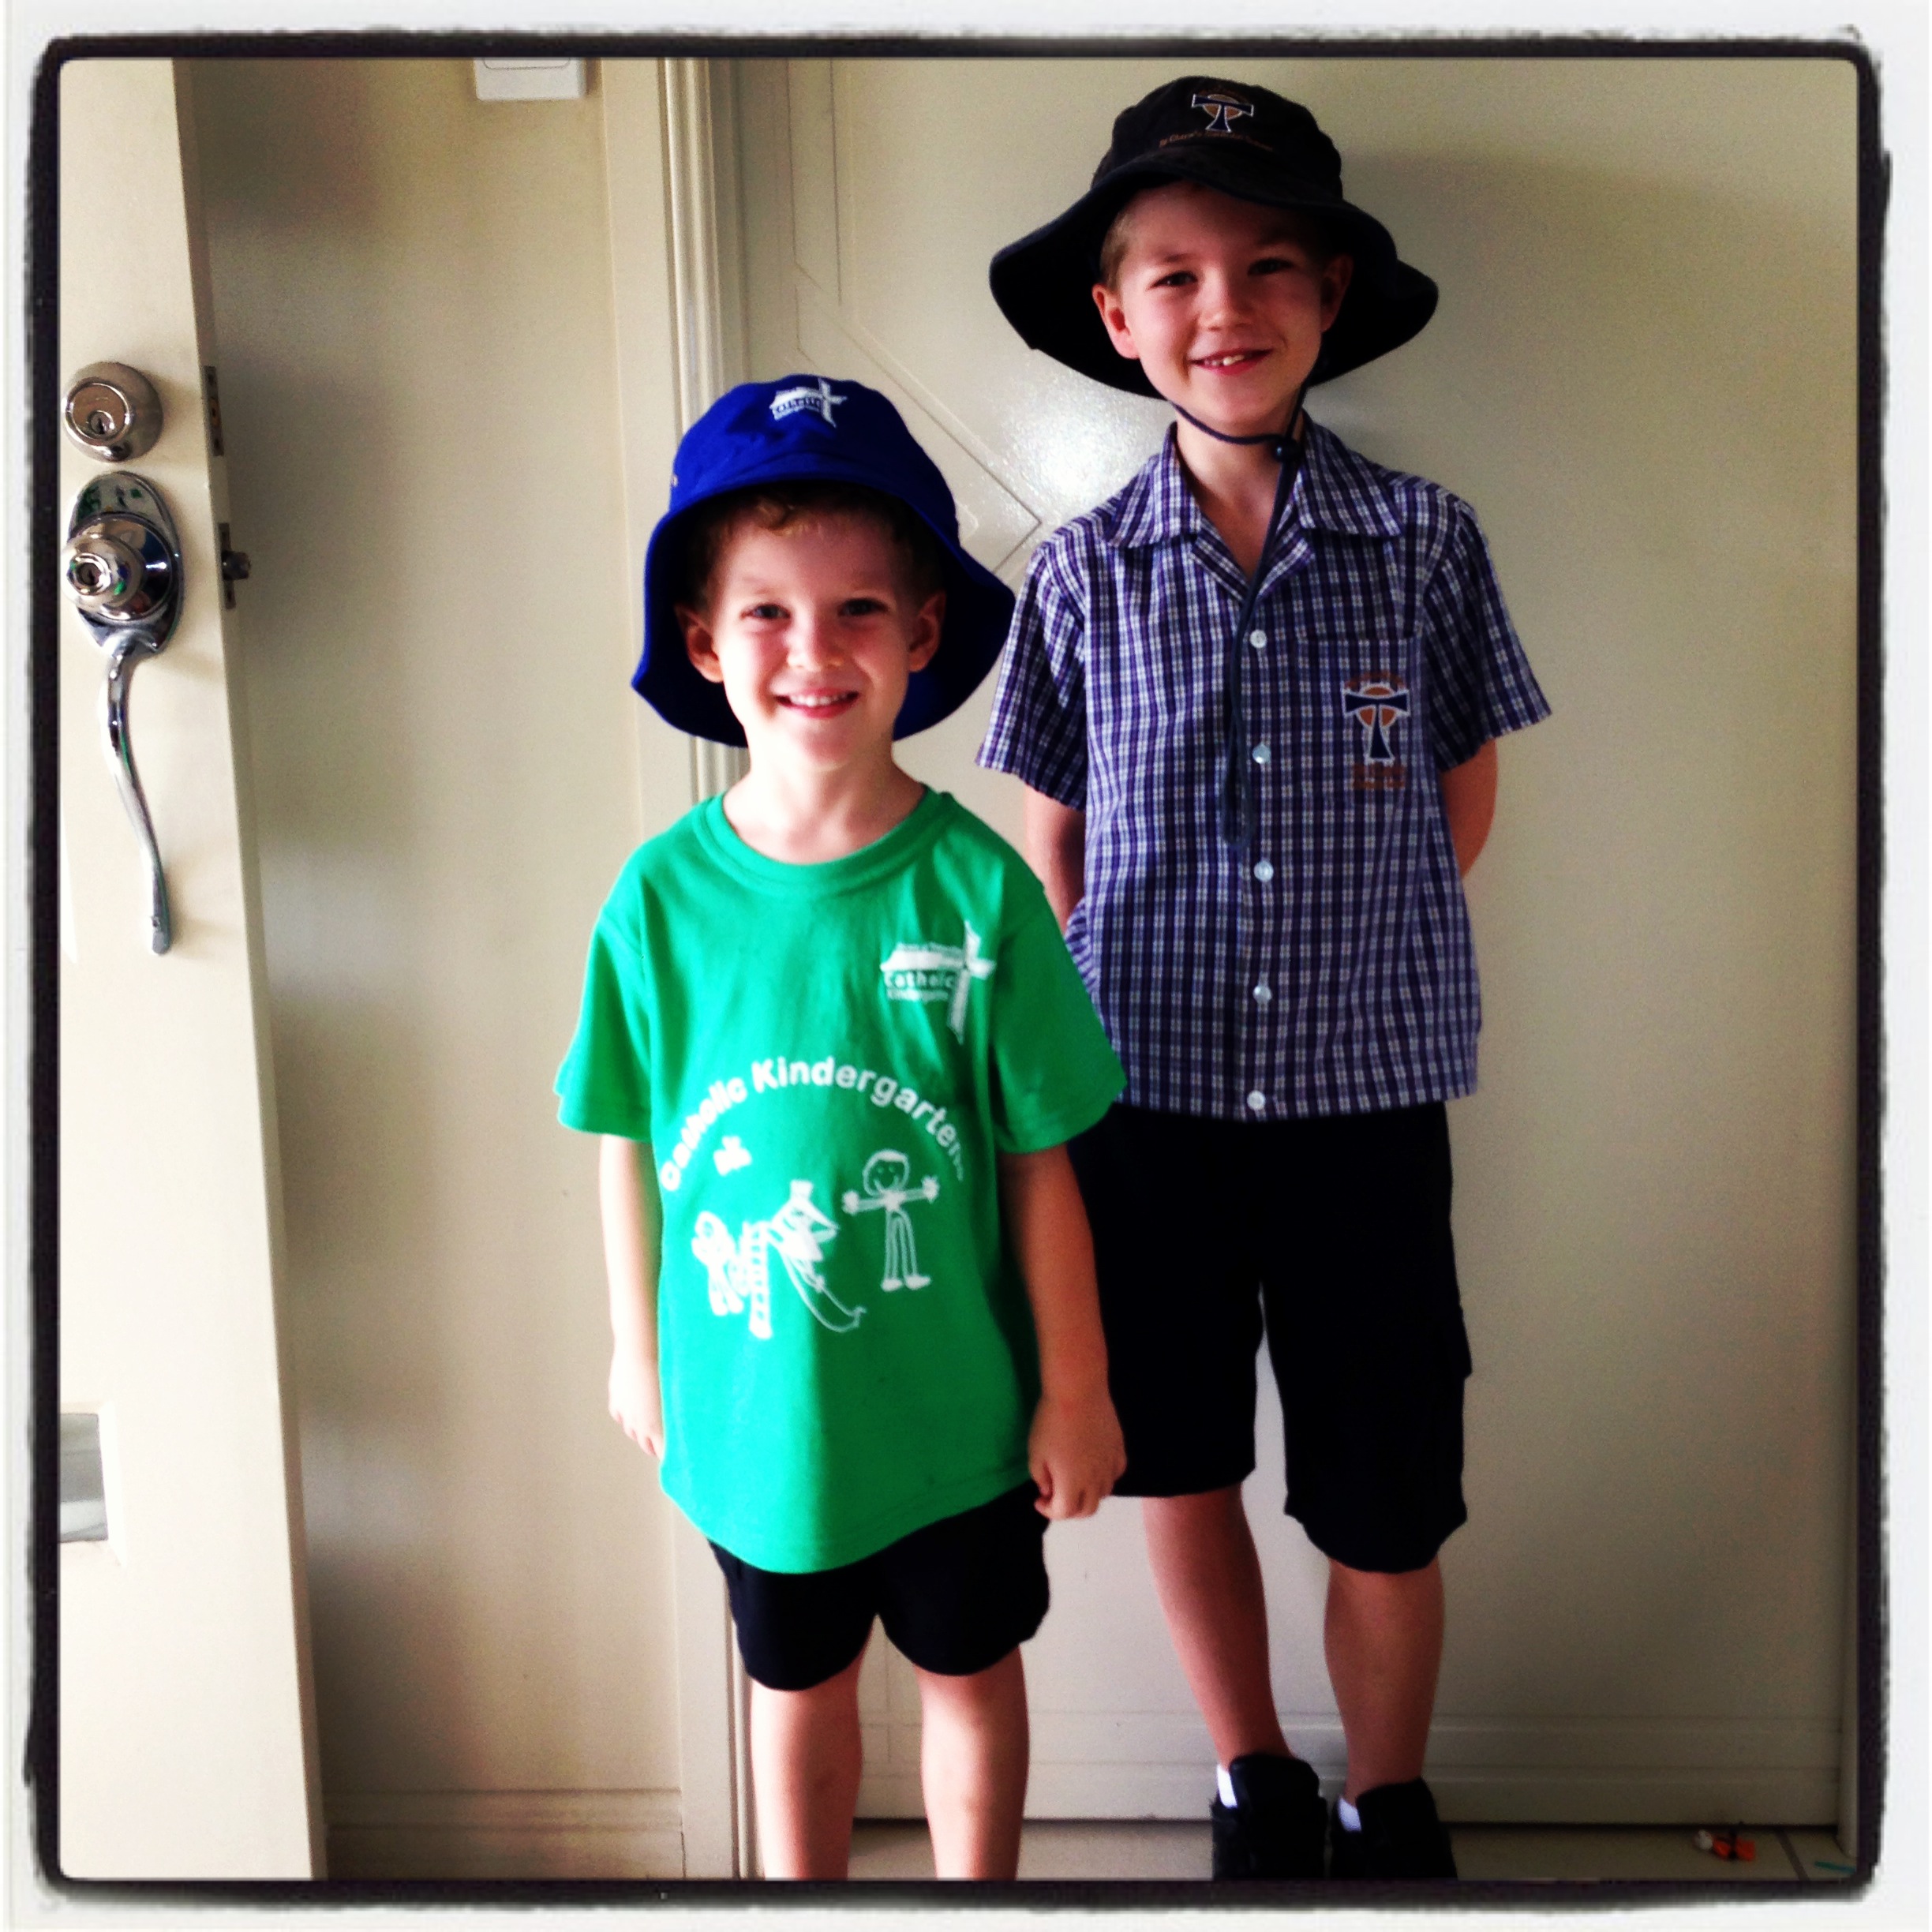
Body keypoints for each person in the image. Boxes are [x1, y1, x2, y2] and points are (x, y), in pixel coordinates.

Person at [979, 77, 1551, 1881]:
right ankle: (1254, 1777)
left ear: (1331, 294)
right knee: (1182, 1455)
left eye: (1268, 266)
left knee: (1388, 1487)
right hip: (1143, 1107)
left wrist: (1348, 955)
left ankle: (1388, 1791)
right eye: (1176, 274)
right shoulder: (1080, 574)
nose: (1223, 308)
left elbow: (1461, 793)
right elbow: (1055, 848)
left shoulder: (1425, 542)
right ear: (1116, 313)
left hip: (1364, 1101)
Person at [557, 376, 1128, 1880]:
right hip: (759, 1426)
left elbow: (1041, 1168)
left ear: (923, 634)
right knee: (794, 1689)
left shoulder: (979, 891)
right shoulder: (658, 902)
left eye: (859, 609)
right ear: (703, 640)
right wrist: (637, 1346)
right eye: (767, 613)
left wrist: (1076, 1388)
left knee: (970, 1677)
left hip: (960, 1422)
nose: (814, 652)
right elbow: (624, 1140)